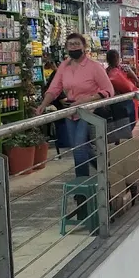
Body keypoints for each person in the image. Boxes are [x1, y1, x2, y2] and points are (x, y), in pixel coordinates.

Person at [36, 33, 114, 177]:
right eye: (71, 44)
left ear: (84, 47)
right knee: (80, 147)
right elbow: (54, 88)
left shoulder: (94, 67)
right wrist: (43, 105)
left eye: (77, 44)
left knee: (79, 148)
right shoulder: (64, 66)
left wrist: (88, 99)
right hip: (70, 112)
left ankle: (81, 189)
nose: (74, 47)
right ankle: (106, 169)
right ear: (66, 48)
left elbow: (109, 90)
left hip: (88, 111)